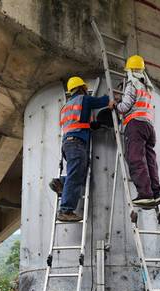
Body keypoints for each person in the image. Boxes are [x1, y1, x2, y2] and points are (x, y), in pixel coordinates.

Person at [49, 76, 115, 222]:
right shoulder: (84, 99)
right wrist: (112, 101)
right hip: (77, 144)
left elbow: (79, 124)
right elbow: (102, 101)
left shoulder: (66, 106)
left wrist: (95, 125)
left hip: (68, 144)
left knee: (78, 176)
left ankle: (60, 182)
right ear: (82, 88)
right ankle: (65, 210)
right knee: (76, 175)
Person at [115, 55, 160, 207]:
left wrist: (115, 104)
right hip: (149, 127)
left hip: (136, 125)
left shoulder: (132, 83)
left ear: (130, 70)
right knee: (150, 161)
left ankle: (145, 194)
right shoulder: (147, 88)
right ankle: (156, 193)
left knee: (136, 158)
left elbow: (125, 107)